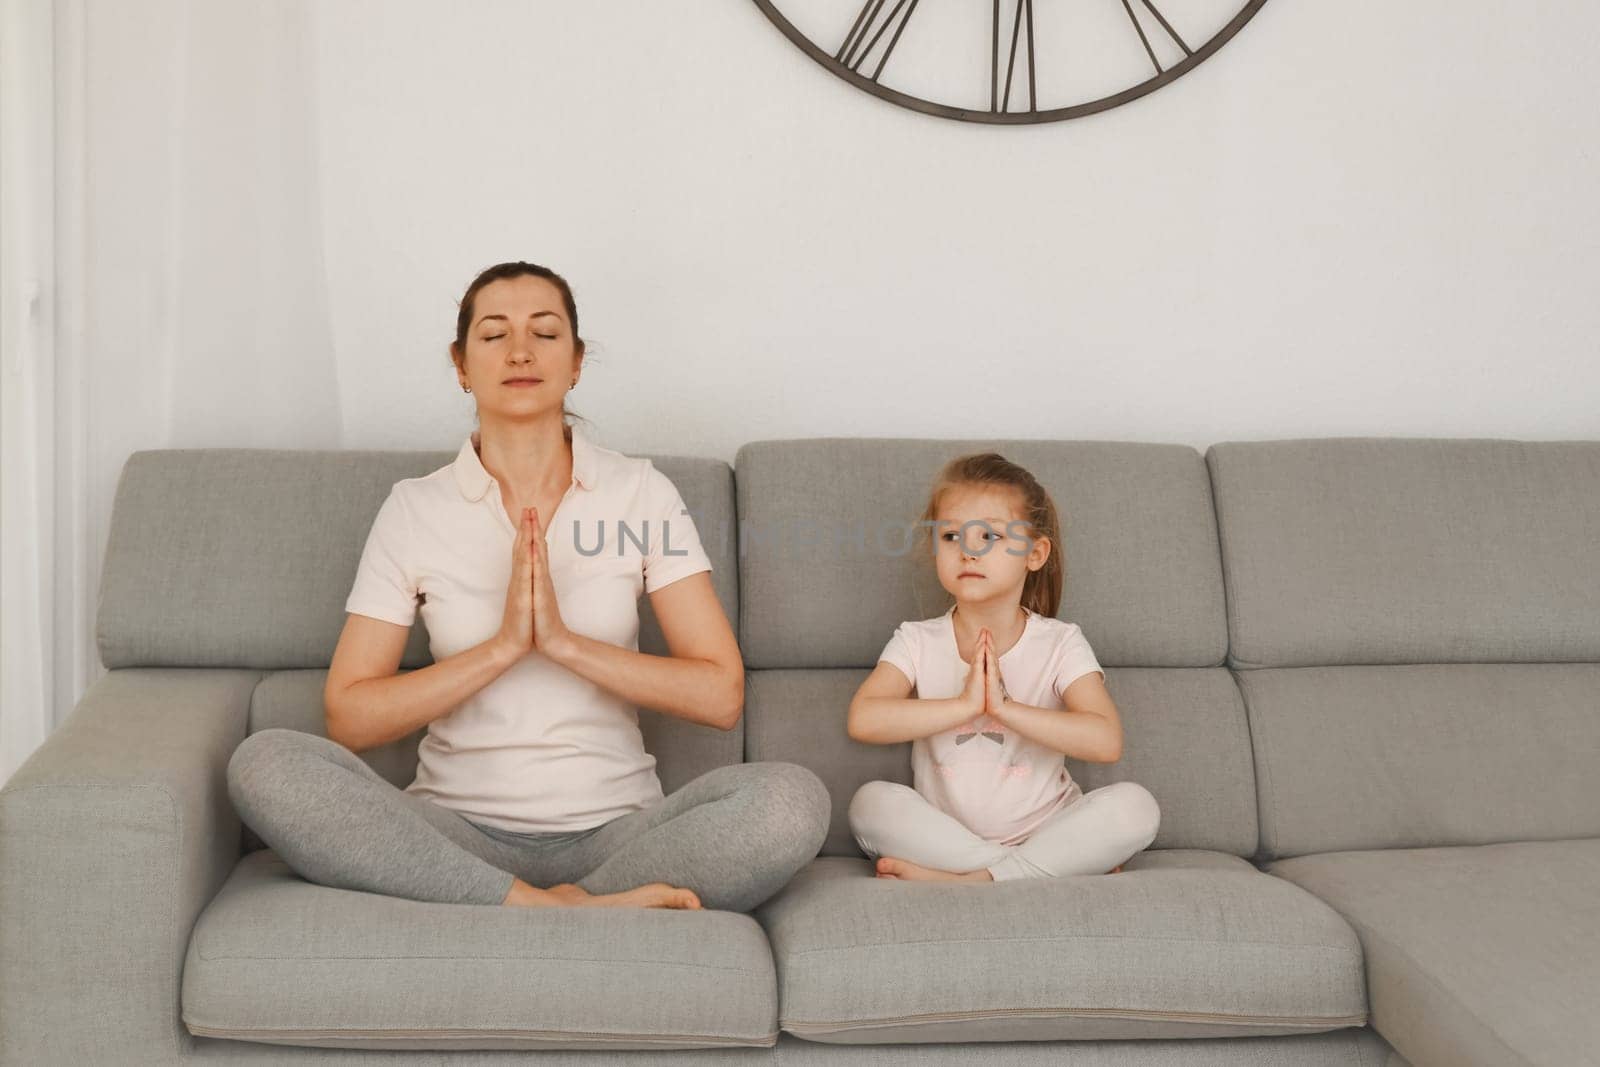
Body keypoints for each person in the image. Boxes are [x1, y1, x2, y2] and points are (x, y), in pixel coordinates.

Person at [227, 261, 830, 911]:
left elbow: (721, 694)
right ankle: (550, 906)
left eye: (545, 333)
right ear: (461, 365)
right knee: (263, 762)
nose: (520, 351)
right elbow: (350, 715)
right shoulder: (415, 507)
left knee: (792, 801)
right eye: (493, 335)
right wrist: (504, 646)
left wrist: (564, 643)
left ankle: (541, 900)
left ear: (575, 363)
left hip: (620, 834)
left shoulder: (640, 492)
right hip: (453, 832)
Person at [846, 451, 1161, 882]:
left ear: (1035, 554)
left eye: (990, 537)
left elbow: (1105, 741)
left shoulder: (1060, 641)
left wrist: (1004, 707)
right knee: (870, 803)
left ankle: (976, 882)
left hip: (1047, 831)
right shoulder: (916, 639)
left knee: (1137, 807)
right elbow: (865, 719)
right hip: (946, 836)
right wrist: (964, 704)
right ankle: (1028, 874)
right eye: (952, 536)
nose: (968, 552)